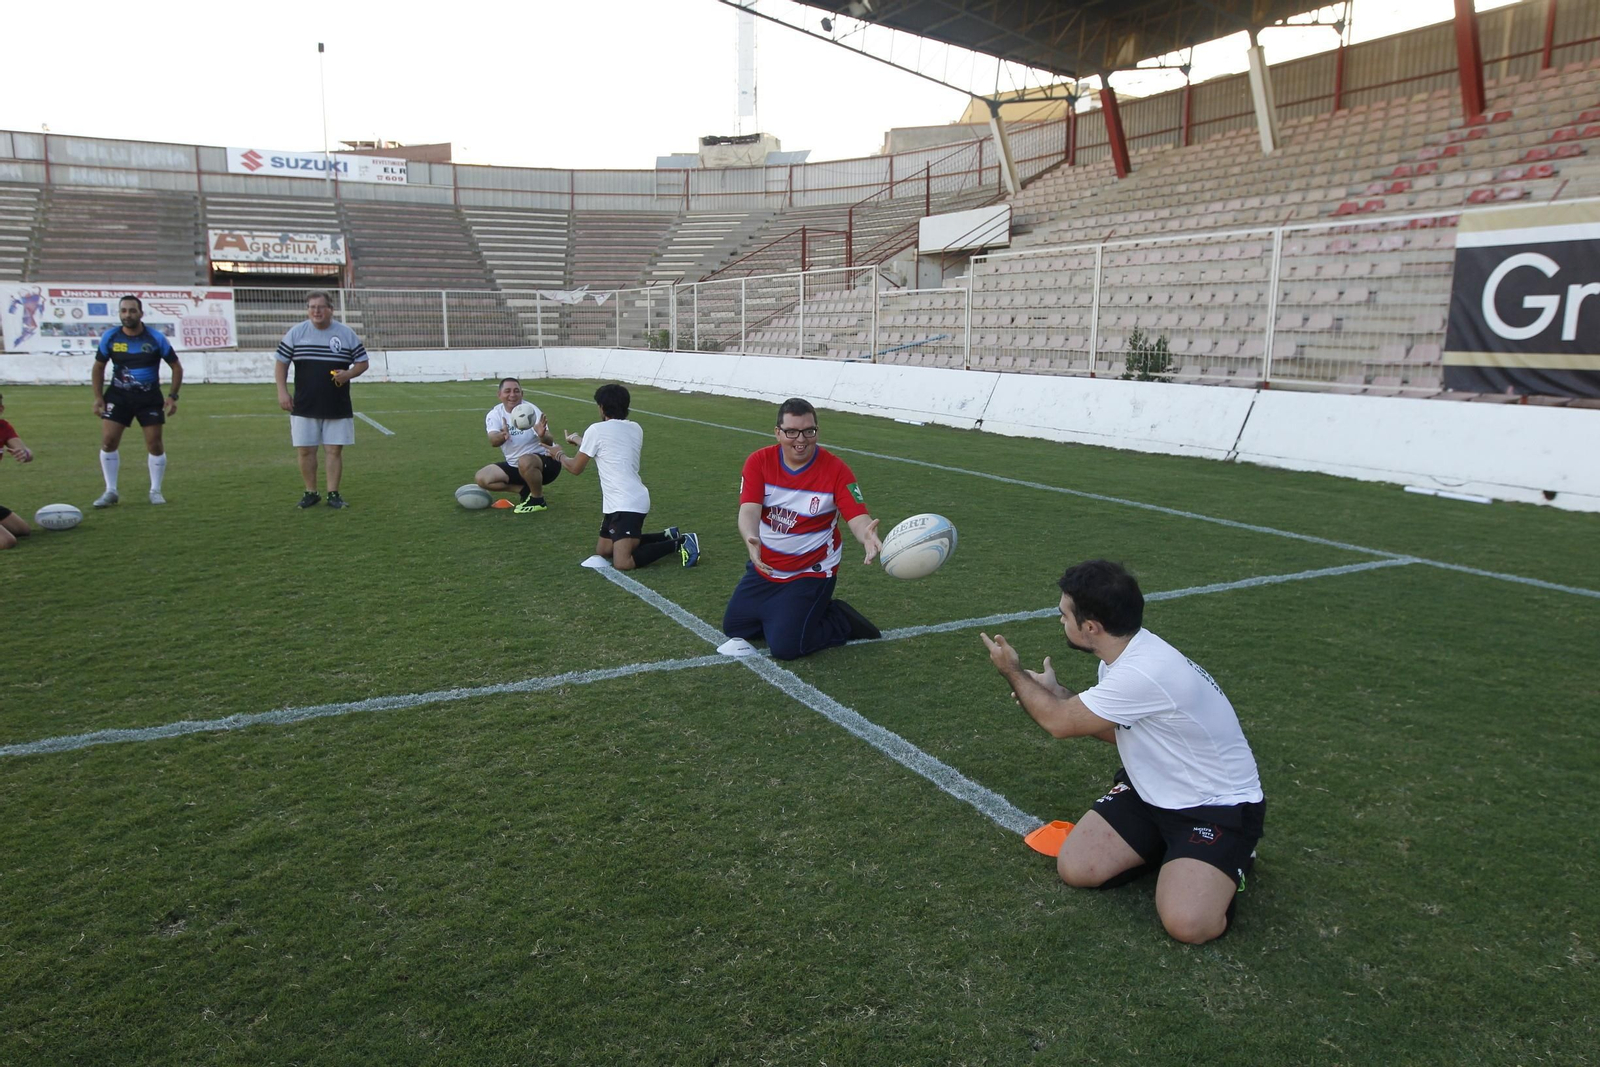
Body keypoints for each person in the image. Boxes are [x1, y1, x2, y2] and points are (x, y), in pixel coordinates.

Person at [980, 559, 1265, 945]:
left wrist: (1012, 671)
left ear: (1091, 627)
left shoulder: (1142, 672)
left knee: (1187, 924)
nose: (1060, 621)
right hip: (1152, 789)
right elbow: (1118, 730)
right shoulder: (1122, 655)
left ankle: (1234, 858)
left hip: (1216, 806)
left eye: (1065, 615)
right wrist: (1056, 692)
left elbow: (1059, 724)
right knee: (1077, 868)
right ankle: (1172, 852)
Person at [719, 397, 882, 661]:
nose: (801, 439)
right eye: (791, 431)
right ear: (778, 433)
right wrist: (751, 539)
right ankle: (789, 613)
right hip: (766, 569)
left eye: (809, 431)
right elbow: (749, 509)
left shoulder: (836, 470)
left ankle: (840, 619)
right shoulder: (758, 461)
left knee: (786, 647)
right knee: (736, 628)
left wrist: (867, 535)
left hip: (811, 572)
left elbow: (857, 516)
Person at [550, 382, 697, 571]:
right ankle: (666, 536)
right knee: (604, 549)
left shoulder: (596, 430)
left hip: (626, 503)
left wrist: (558, 453)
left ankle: (682, 542)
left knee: (622, 562)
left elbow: (575, 468)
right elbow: (609, 449)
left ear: (602, 407)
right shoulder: (635, 428)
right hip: (620, 501)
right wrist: (580, 441)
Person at [274, 290, 368, 509]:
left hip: (336, 403)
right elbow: (281, 363)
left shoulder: (345, 334)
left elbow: (362, 362)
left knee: (334, 450)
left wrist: (348, 374)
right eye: (312, 307)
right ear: (308, 310)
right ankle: (311, 492)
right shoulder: (297, 333)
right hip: (304, 403)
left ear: (330, 310)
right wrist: (282, 391)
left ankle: (333, 494)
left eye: (321, 307)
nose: (316, 311)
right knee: (305, 450)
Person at [90, 295, 182, 507]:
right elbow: (98, 367)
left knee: (155, 444)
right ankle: (110, 491)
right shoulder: (111, 337)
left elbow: (176, 367)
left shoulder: (155, 338)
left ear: (141, 313)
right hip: (118, 396)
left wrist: (172, 396)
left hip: (149, 398)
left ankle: (155, 490)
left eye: (132, 311)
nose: (127, 315)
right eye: (124, 311)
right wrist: (98, 397)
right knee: (108, 441)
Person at [473, 378, 559, 514]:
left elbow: (549, 441)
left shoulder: (531, 411)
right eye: (507, 391)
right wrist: (502, 436)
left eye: (516, 391)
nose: (512, 395)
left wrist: (542, 435)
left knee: (525, 460)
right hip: (516, 466)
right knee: (482, 478)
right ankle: (525, 491)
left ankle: (538, 500)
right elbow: (493, 441)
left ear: (522, 394)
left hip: (545, 463)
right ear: (499, 394)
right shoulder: (495, 414)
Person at [0, 391, 36, 549]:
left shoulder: (3, 427)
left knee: (22, 530)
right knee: (7, 542)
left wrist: (24, 453)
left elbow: (25, 451)